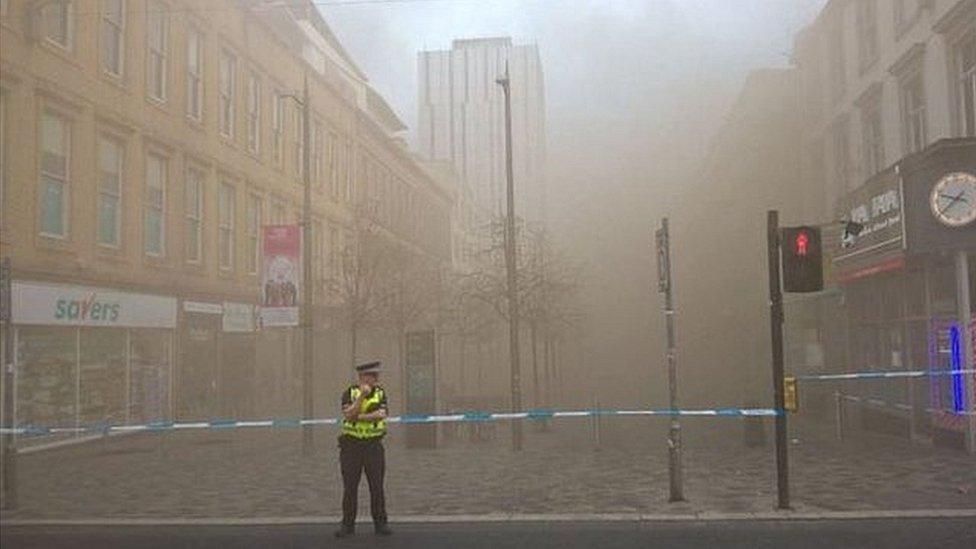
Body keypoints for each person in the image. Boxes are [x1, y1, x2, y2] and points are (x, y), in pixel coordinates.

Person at [335, 361, 392, 538]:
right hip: (351, 447)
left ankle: (380, 524)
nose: (374, 379)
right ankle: (347, 525)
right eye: (370, 376)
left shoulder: (380, 393)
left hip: (373, 446)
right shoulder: (349, 393)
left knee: (376, 487)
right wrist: (360, 398)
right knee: (350, 487)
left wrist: (359, 416)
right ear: (362, 377)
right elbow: (348, 413)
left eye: (375, 376)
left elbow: (381, 414)